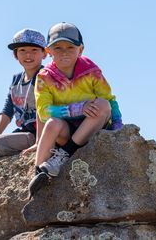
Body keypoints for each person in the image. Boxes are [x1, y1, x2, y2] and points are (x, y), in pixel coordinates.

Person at [26, 22, 123, 197]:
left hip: (92, 126)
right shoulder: (44, 77)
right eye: (58, 47)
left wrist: (118, 127)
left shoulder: (91, 71)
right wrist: (77, 109)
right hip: (66, 130)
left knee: (102, 105)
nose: (64, 52)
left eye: (70, 47)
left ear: (81, 49)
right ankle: (38, 174)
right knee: (52, 123)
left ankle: (63, 155)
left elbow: (110, 100)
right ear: (48, 52)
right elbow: (43, 112)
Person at [0, 28, 47, 162]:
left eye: (34, 50)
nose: (28, 55)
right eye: (22, 50)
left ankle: (35, 144)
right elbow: (7, 110)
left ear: (44, 54)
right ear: (15, 55)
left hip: (40, 132)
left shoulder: (45, 75)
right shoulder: (16, 81)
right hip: (23, 131)